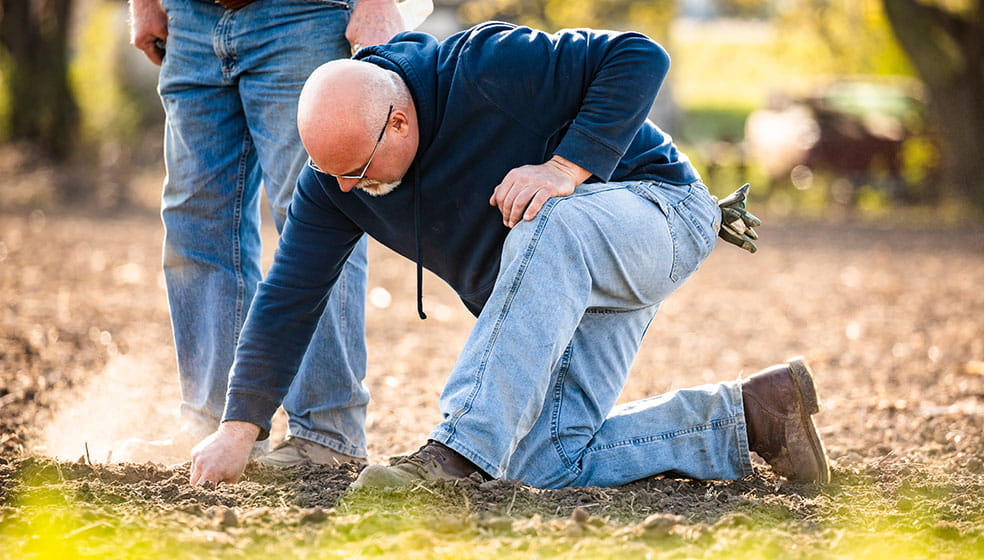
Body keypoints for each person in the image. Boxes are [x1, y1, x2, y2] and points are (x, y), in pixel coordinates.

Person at [189, 22, 830, 488]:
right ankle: (751, 417)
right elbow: (289, 297)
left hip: (660, 212)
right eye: (334, 176)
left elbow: (640, 55)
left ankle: (454, 456)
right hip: (566, 275)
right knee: (544, 461)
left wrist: (563, 167)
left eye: (356, 168)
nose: (349, 190)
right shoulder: (336, 184)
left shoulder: (486, 67)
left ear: (400, 123)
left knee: (546, 218)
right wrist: (240, 425)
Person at [123, 0, 405, 467]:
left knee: (317, 211)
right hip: (189, 19)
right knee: (195, 219)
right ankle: (216, 426)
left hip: (304, 15)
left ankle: (326, 434)